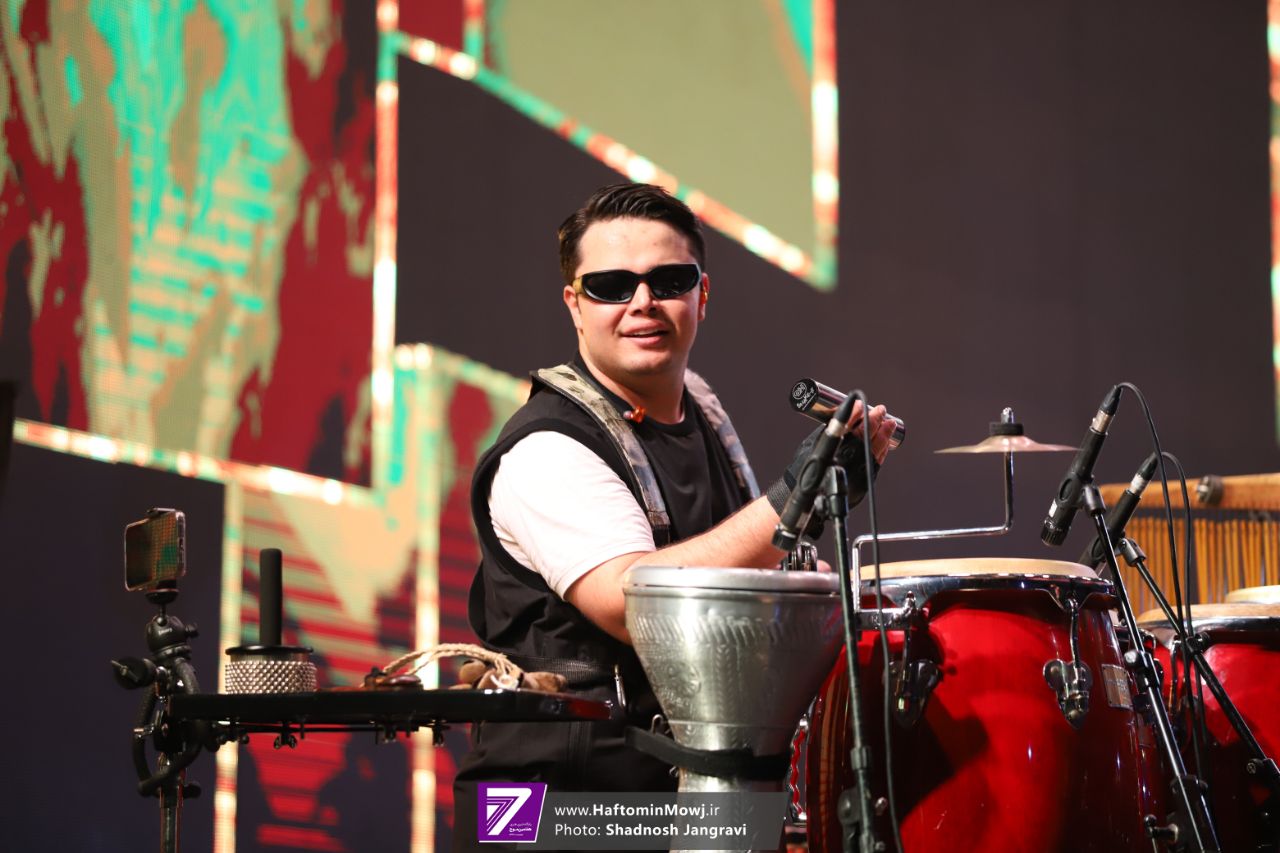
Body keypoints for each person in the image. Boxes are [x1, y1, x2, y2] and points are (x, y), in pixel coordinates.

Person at [452, 183, 895, 847]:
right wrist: (792, 502)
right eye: (610, 285)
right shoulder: (547, 448)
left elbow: (742, 588)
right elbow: (635, 603)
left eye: (668, 281)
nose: (642, 303)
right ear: (575, 305)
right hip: (543, 813)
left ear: (702, 295)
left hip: (663, 796)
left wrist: (811, 526)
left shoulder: (700, 407)